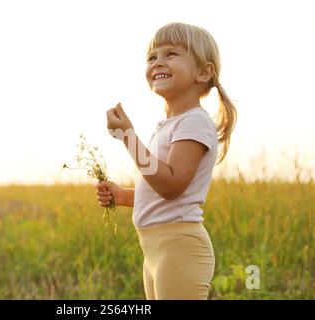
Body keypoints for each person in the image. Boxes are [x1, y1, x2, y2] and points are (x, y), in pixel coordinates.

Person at [96, 22, 237, 300]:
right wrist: (124, 196)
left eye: (171, 54)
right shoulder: (169, 124)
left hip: (179, 246)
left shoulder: (194, 121)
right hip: (155, 246)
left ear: (203, 72)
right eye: (152, 57)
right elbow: (164, 192)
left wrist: (128, 138)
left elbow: (171, 185)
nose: (158, 62)